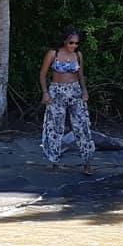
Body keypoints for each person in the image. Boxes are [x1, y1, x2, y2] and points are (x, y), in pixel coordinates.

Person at [39, 27, 95, 174]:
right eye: (71, 43)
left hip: (75, 90)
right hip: (57, 91)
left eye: (76, 43)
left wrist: (84, 90)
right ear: (65, 40)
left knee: (82, 125)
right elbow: (43, 75)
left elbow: (81, 75)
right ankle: (54, 161)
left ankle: (87, 161)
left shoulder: (78, 55)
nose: (74, 46)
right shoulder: (54, 54)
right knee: (54, 126)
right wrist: (45, 93)